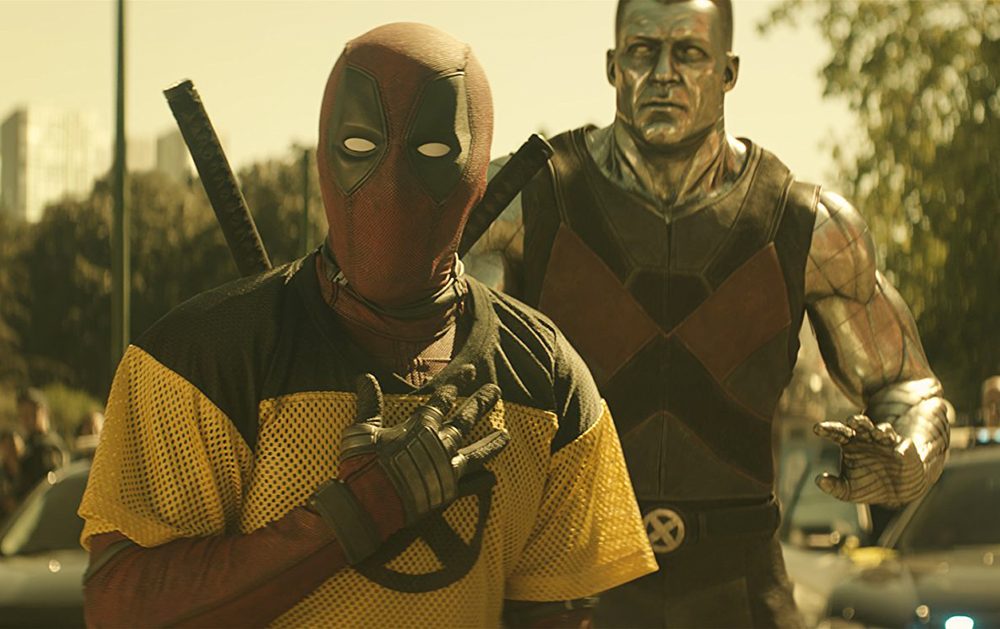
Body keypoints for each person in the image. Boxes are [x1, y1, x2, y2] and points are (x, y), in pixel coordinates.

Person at [79, 22, 656, 628]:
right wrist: (354, 517)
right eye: (361, 145)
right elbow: (121, 608)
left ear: (479, 169)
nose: (392, 181)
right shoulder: (202, 357)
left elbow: (556, 613)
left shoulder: (546, 374)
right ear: (325, 153)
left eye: (432, 152)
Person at [465, 1, 952, 626]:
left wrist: (910, 453)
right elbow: (438, 358)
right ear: (613, 66)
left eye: (689, 53)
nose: (663, 73)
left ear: (728, 72)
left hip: (742, 586)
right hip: (571, 580)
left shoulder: (811, 227)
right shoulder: (519, 206)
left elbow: (907, 385)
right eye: (642, 51)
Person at [15, 388, 68, 499]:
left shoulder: (49, 446)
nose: (26, 420)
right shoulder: (29, 444)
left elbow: (50, 484)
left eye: (30, 415)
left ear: (42, 412)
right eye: (22, 416)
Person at [0, 428, 23, 521]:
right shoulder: (3, 476)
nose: (10, 450)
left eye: (12, 445)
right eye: (6, 446)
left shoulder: (30, 465)